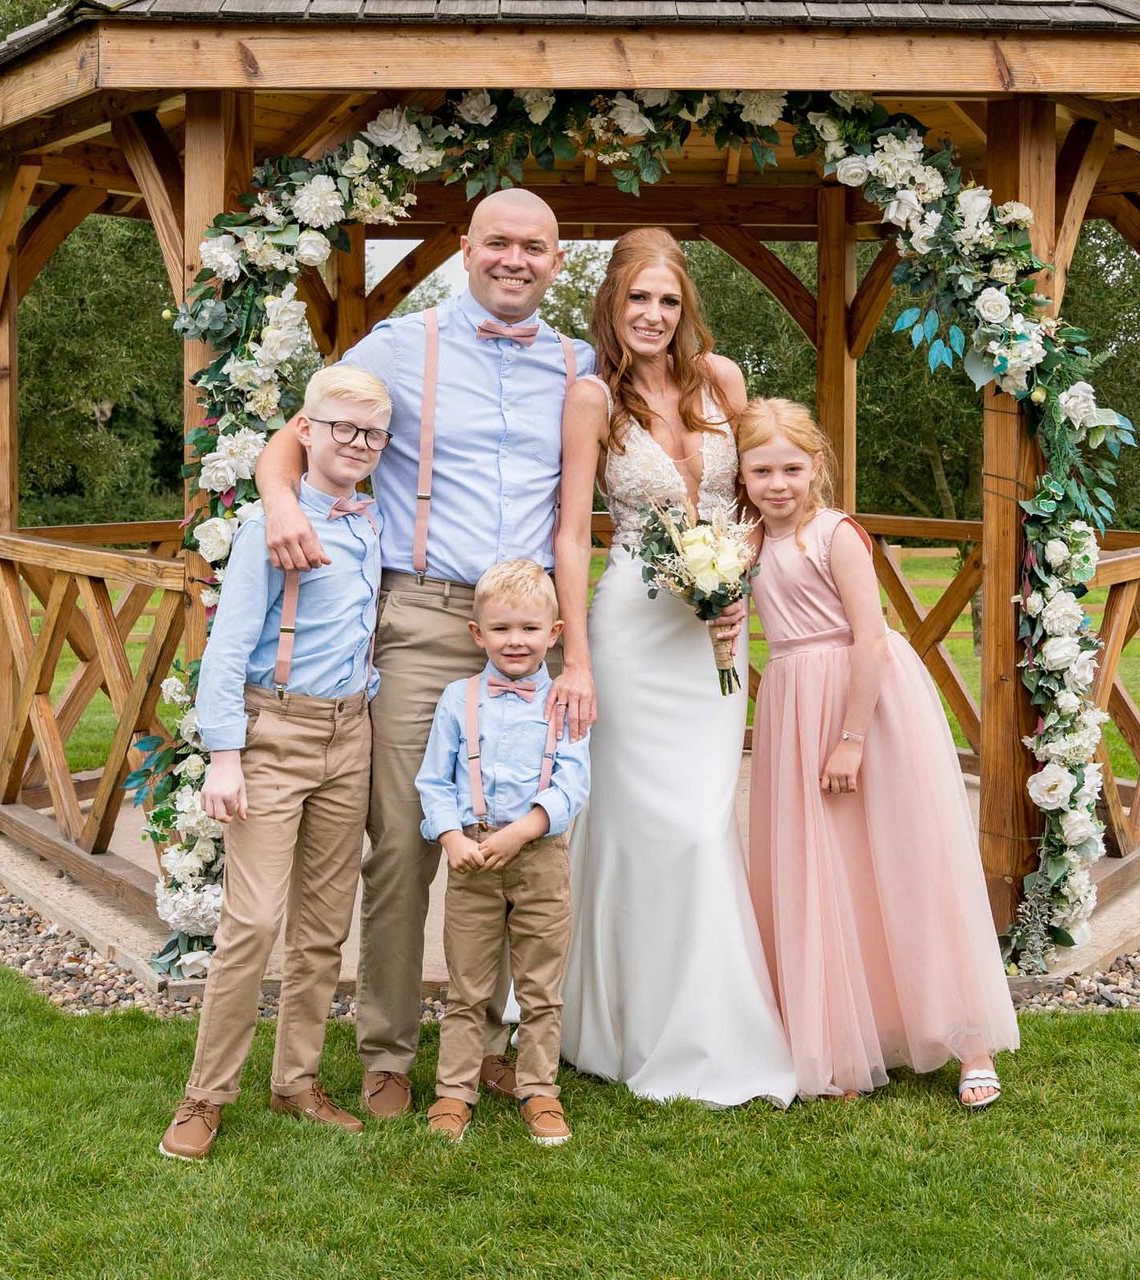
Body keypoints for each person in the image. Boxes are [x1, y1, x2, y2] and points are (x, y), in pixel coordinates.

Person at [251, 189, 593, 1120]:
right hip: (425, 618)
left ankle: (493, 1046)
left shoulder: (579, 363)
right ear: (464, 249)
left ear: (557, 260)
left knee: (532, 834)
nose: (514, 259)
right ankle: (390, 1054)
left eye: (534, 246)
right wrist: (282, 504)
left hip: (533, 628)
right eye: (497, 243)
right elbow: (297, 435)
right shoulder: (403, 345)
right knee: (404, 843)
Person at [552, 229, 794, 1108]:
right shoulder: (590, 400)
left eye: (667, 301)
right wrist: (575, 656)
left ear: (685, 309)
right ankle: (615, 1024)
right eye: (636, 301)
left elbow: (764, 498)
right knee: (637, 826)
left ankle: (712, 1019)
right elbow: (574, 532)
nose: (652, 315)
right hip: (629, 635)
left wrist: (741, 581)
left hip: (713, 640)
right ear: (612, 308)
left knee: (701, 821)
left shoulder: (721, 382)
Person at [737, 398, 1019, 1106]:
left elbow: (869, 636)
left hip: (865, 704)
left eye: (791, 469)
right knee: (825, 867)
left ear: (817, 468)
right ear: (741, 474)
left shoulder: (833, 535)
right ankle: (842, 1036)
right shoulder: (747, 544)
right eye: (762, 469)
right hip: (793, 706)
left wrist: (852, 738)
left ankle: (970, 1040)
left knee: (909, 860)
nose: (778, 484)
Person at [159, 368, 391, 1161]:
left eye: (373, 435)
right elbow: (227, 647)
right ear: (307, 430)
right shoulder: (271, 525)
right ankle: (204, 1095)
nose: (358, 446)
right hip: (274, 733)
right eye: (343, 430)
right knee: (252, 921)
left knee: (323, 928)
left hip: (350, 734)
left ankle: (296, 1081)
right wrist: (226, 755)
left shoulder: (373, 520)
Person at [415, 560, 591, 1145]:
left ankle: (539, 1089)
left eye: (529, 629)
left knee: (541, 985)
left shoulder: (565, 701)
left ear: (554, 633)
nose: (515, 641)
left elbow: (573, 783)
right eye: (501, 629)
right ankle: (453, 1092)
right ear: (477, 634)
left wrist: (524, 831)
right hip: (472, 859)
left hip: (539, 857)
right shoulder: (456, 699)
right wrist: (451, 838)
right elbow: (433, 781)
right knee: (466, 987)